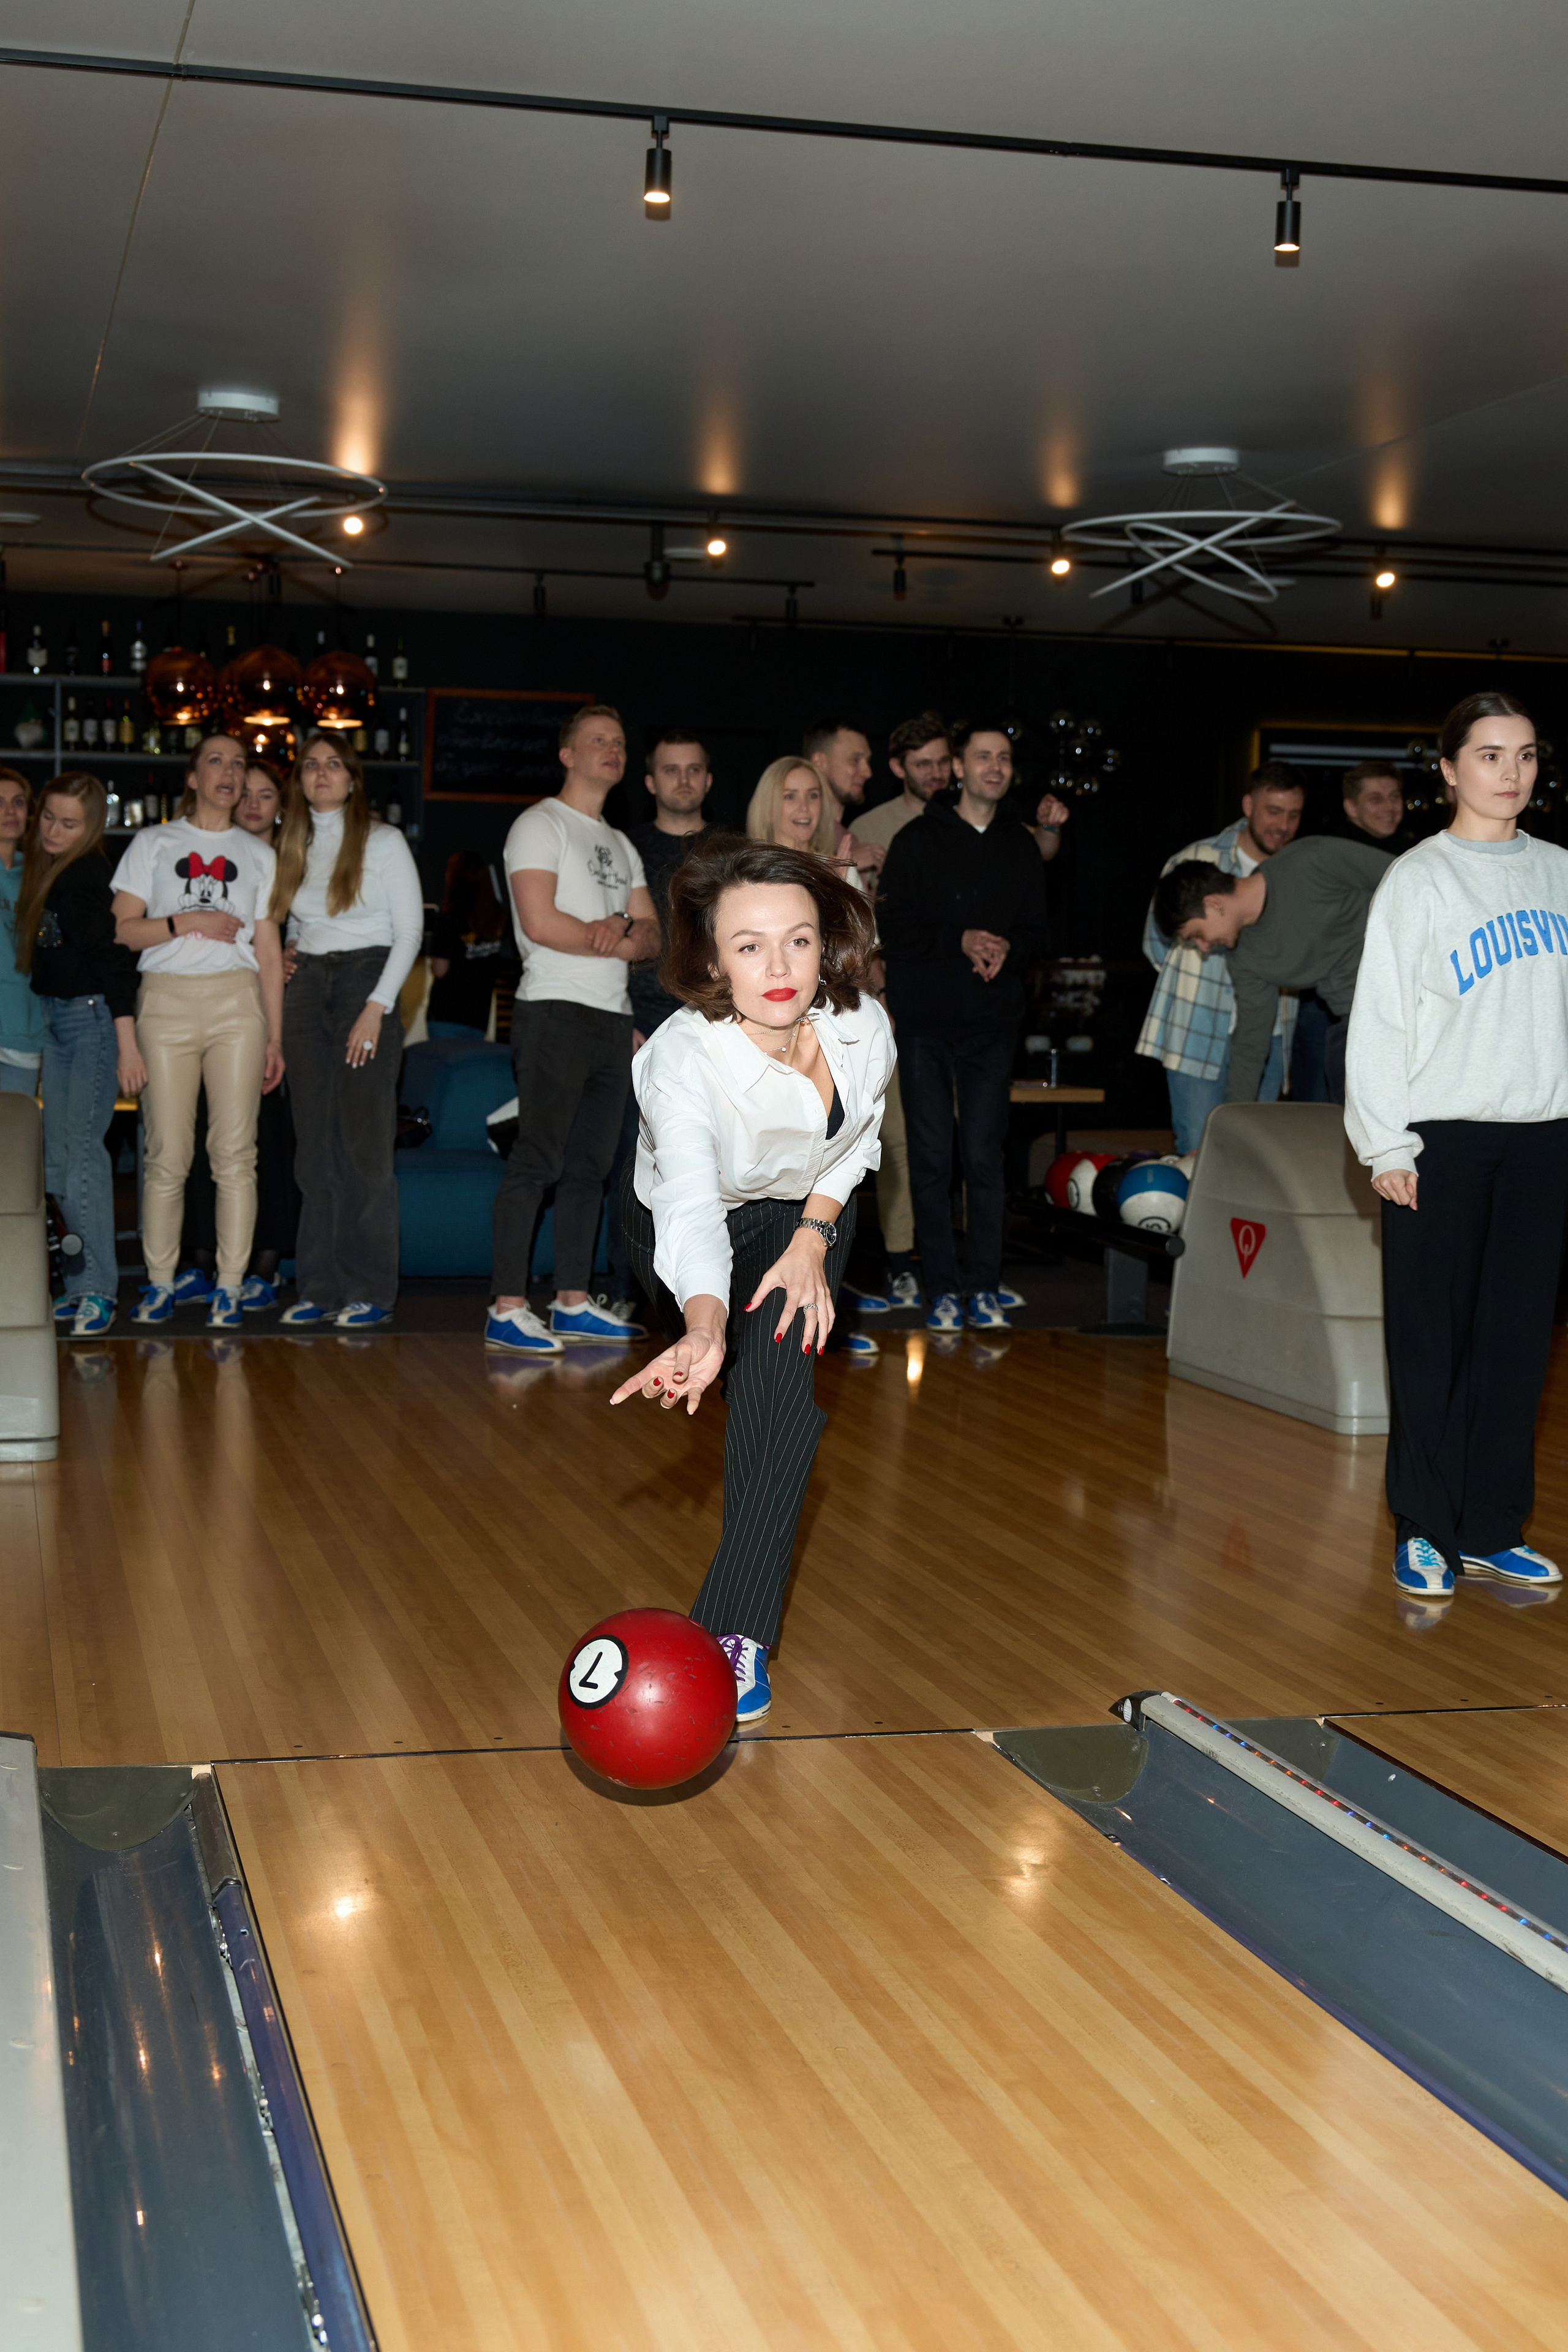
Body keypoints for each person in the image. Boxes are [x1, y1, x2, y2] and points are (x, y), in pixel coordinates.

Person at [609, 834, 893, 1722]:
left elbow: (860, 1145)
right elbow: (692, 1208)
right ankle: (731, 1629)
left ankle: (733, 1636)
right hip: (696, 1220)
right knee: (755, 1370)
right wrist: (703, 1324)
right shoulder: (682, 1059)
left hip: (806, 1213)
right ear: (709, 959)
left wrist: (812, 1237)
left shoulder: (861, 1026)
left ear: (827, 944)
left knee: (778, 1396)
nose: (780, 966)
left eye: (799, 940)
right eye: (748, 946)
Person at [1346, 692, 1568, 1604]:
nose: (1509, 774)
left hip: (1544, 1139)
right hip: (1441, 1141)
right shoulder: (1419, 879)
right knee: (1432, 1343)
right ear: (1448, 770)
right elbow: (1380, 1024)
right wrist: (1386, 1145)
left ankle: (1490, 1528)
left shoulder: (1560, 871)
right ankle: (1426, 1527)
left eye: (1523, 756)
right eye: (1488, 756)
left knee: (1517, 1344)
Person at [488, 704, 660, 1355]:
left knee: (592, 1166)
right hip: (554, 1010)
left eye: (619, 741)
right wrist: (614, 934)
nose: (612, 750)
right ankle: (506, 1308)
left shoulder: (620, 843)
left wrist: (619, 934)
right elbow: (540, 922)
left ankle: (571, 1300)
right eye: (597, 741)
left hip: (614, 1020)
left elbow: (652, 937)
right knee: (537, 1159)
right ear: (568, 755)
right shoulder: (539, 823)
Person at [876, 718, 1049, 1333]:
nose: (995, 768)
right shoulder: (918, 840)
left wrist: (1010, 952)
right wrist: (961, 939)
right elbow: (894, 930)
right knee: (930, 1157)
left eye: (1004, 758)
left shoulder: (1021, 846)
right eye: (983, 757)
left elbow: (1037, 932)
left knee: (983, 1157)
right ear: (958, 768)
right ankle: (941, 1289)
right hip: (925, 1022)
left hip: (992, 1023)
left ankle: (983, 1286)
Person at [111, 734, 285, 1331]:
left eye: (238, 763)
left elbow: (267, 951)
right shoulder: (153, 843)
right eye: (216, 760)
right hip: (165, 1002)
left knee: (236, 1154)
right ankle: (159, 1283)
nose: (230, 772)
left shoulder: (259, 854)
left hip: (238, 1003)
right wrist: (189, 920)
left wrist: (276, 1037)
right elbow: (122, 932)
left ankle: (230, 1287)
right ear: (191, 777)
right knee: (166, 1154)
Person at [268, 731, 423, 1330]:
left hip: (368, 981)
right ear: (300, 779)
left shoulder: (382, 842)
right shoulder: (290, 842)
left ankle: (370, 1289)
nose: (322, 774)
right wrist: (286, 948)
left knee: (363, 1149)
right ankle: (318, 1285)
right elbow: (294, 922)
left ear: (353, 779)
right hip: (306, 986)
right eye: (311, 766)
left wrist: (375, 1008)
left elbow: (410, 933)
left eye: (334, 765)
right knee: (313, 1150)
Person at [13, 772, 141, 1336]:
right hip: (61, 1021)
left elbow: (113, 958)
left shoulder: (86, 875)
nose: (53, 830)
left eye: (69, 824)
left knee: (83, 1154)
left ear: (91, 829)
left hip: (93, 1021)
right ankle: (78, 1282)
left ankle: (96, 1289)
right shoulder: (52, 871)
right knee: (61, 1159)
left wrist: (127, 1045)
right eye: (48, 818)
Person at [173, 758, 299, 1312]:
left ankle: (264, 1265)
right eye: (245, 793)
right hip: (202, 1010)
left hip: (272, 1017)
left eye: (265, 796)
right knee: (197, 1140)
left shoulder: (290, 869)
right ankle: (200, 1260)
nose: (252, 804)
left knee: (265, 1146)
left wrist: (298, 957)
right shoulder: (190, 855)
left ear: (281, 808)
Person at [1137, 764, 1306, 1154]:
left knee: (1258, 1161)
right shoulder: (1197, 858)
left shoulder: (1297, 872)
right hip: (1196, 1029)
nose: (1283, 825)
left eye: (1294, 814)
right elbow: (1156, 943)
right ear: (1249, 805)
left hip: (1270, 1033)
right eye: (1273, 811)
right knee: (1200, 1152)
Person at [1154, 829, 1389, 1110]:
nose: (1204, 947)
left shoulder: (1309, 860)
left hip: (1413, 994)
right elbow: (1251, 1045)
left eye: (1196, 935)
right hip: (1359, 1022)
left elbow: (1408, 876)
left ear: (1213, 904)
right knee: (1343, 1074)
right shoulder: (1242, 958)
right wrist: (1229, 1123)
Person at [604, 729, 714, 1314]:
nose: (683, 780)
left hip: (711, 1020)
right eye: (671, 770)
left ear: (708, 780)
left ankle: (705, 1295)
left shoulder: (726, 850)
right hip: (641, 1015)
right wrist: (620, 1016)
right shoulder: (624, 847)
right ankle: (626, 1289)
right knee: (632, 1159)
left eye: (693, 769)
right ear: (650, 783)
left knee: (713, 1163)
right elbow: (612, 934)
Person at [427, 853, 518, 1036]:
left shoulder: (448, 917)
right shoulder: (497, 917)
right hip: (479, 1016)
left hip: (447, 1014)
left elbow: (440, 969)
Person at [0, 767, 43, 1098]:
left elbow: (51, 949)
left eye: (17, 802)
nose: (9, 812)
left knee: (12, 1145)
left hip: (22, 1031)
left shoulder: (40, 877)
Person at [804, 721, 881, 874]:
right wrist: (845, 864)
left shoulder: (851, 839)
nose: (867, 772)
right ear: (820, 762)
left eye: (867, 761)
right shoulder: (799, 829)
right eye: (855, 760)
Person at [748, 756, 839, 859]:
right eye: (790, 797)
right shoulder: (747, 872)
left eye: (813, 796)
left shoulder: (839, 870)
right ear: (767, 809)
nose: (804, 807)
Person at [1339, 760, 1413, 855]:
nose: (1389, 807)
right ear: (1351, 807)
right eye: (1376, 799)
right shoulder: (1338, 855)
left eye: (1394, 797)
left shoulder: (1410, 851)